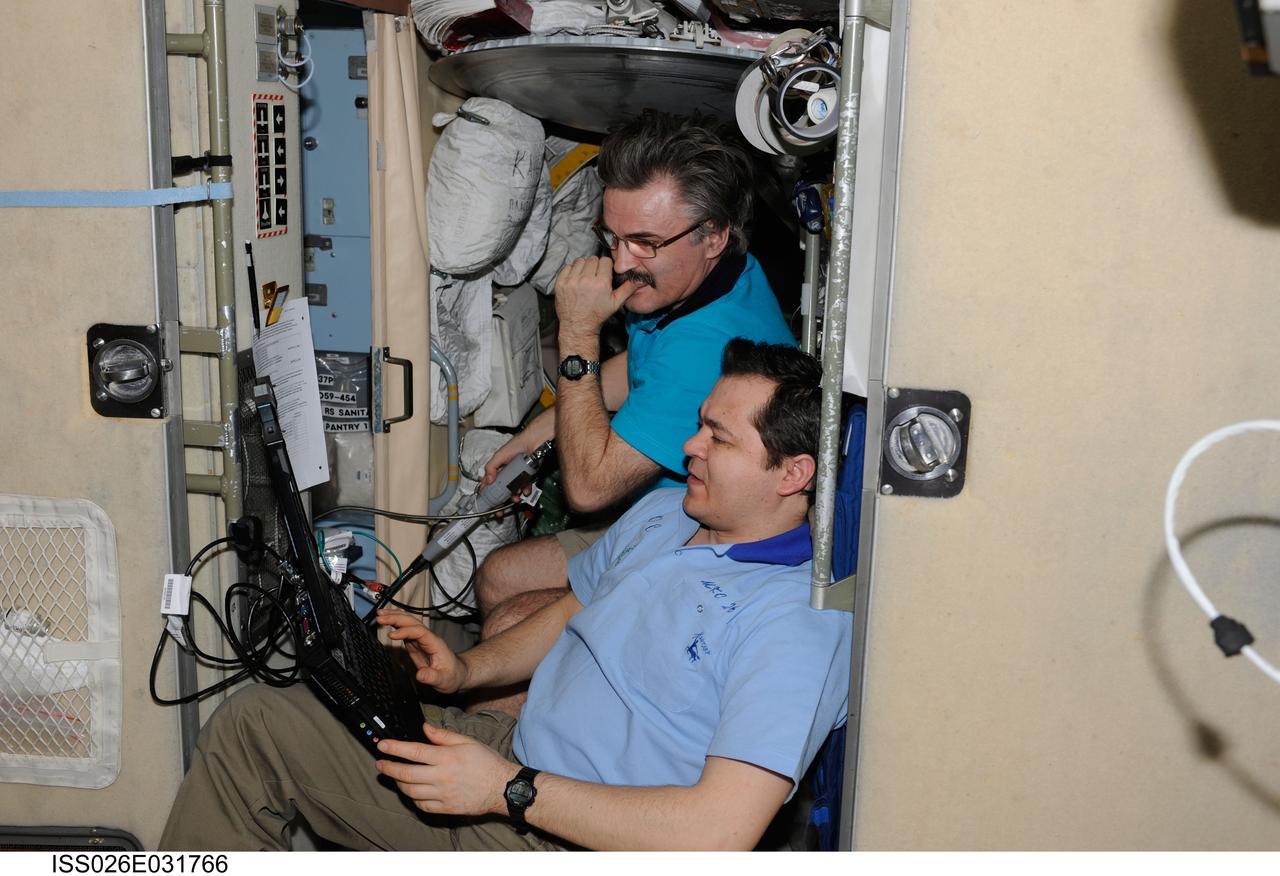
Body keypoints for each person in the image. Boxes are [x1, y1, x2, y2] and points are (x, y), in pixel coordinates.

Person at [158, 340, 851, 852]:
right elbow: (578, 610)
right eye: (700, 421)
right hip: (512, 750)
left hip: (562, 833)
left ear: (793, 473)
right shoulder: (672, 514)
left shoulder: (798, 623)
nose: (688, 444)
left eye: (718, 438)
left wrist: (505, 791)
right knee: (260, 724)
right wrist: (467, 672)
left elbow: (718, 834)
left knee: (265, 742)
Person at [473, 110, 796, 649]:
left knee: (510, 617)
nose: (621, 261)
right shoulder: (717, 275)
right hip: (663, 513)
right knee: (499, 576)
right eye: (612, 236)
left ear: (713, 234)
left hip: (695, 536)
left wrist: (578, 334)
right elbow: (645, 365)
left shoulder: (707, 349)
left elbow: (589, 489)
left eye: (645, 242)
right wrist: (541, 428)